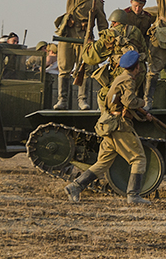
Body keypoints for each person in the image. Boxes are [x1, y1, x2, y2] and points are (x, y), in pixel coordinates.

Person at [64, 50, 153, 205]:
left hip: (109, 124)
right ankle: (133, 196)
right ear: (137, 67)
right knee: (138, 158)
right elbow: (129, 101)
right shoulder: (129, 80)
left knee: (103, 163)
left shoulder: (119, 78)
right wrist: (143, 103)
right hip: (119, 126)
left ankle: (75, 186)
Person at [53, 0, 108, 110]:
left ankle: (81, 100)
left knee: (82, 70)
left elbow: (103, 25)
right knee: (64, 68)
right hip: (67, 33)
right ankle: (62, 100)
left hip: (84, 37)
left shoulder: (97, 3)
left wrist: (103, 41)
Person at [83, 9, 146, 109]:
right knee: (128, 96)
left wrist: (88, 45)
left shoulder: (110, 34)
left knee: (103, 95)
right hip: (138, 71)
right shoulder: (136, 31)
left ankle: (107, 118)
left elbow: (91, 57)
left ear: (114, 22)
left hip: (121, 71)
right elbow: (144, 50)